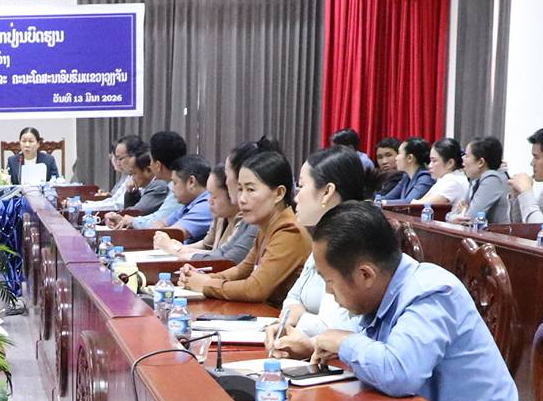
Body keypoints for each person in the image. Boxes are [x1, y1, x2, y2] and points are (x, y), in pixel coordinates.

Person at [304, 201, 532, 401]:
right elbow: (367, 343)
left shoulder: (431, 292)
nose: (328, 291)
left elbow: (399, 373)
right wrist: (313, 345)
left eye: (329, 281)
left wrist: (344, 342)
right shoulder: (385, 291)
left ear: (365, 275)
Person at [268, 148, 374, 354]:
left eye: (301, 186)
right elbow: (292, 299)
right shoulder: (325, 235)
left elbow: (333, 330)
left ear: (327, 192)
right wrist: (296, 314)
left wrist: (300, 316)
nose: (296, 198)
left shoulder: (351, 241)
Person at [179, 147, 307, 305]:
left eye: (250, 189)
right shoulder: (267, 227)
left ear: (279, 193)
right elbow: (242, 270)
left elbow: (255, 289)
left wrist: (206, 284)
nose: (242, 199)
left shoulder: (289, 231)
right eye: (240, 189)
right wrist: (199, 278)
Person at [452, 138, 514, 229]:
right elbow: (452, 214)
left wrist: (464, 211)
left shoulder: (493, 179)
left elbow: (470, 219)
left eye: (467, 156)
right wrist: (455, 216)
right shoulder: (475, 180)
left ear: (480, 162)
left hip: (498, 236)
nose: (462, 159)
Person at [81, 137, 138, 211]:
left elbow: (119, 206)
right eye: (116, 158)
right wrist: (84, 205)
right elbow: (113, 200)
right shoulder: (129, 176)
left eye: (120, 158)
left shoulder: (138, 177)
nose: (117, 162)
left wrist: (82, 207)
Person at [417, 139, 469, 209]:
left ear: (450, 163)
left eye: (434, 161)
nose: (429, 166)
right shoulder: (444, 178)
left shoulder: (454, 181)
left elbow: (420, 206)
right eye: (430, 161)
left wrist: (414, 202)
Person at [381, 138, 434, 203]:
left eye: (399, 154)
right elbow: (388, 198)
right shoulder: (406, 176)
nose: (396, 158)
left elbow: (409, 202)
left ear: (410, 158)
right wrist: (374, 201)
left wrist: (381, 203)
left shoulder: (425, 178)